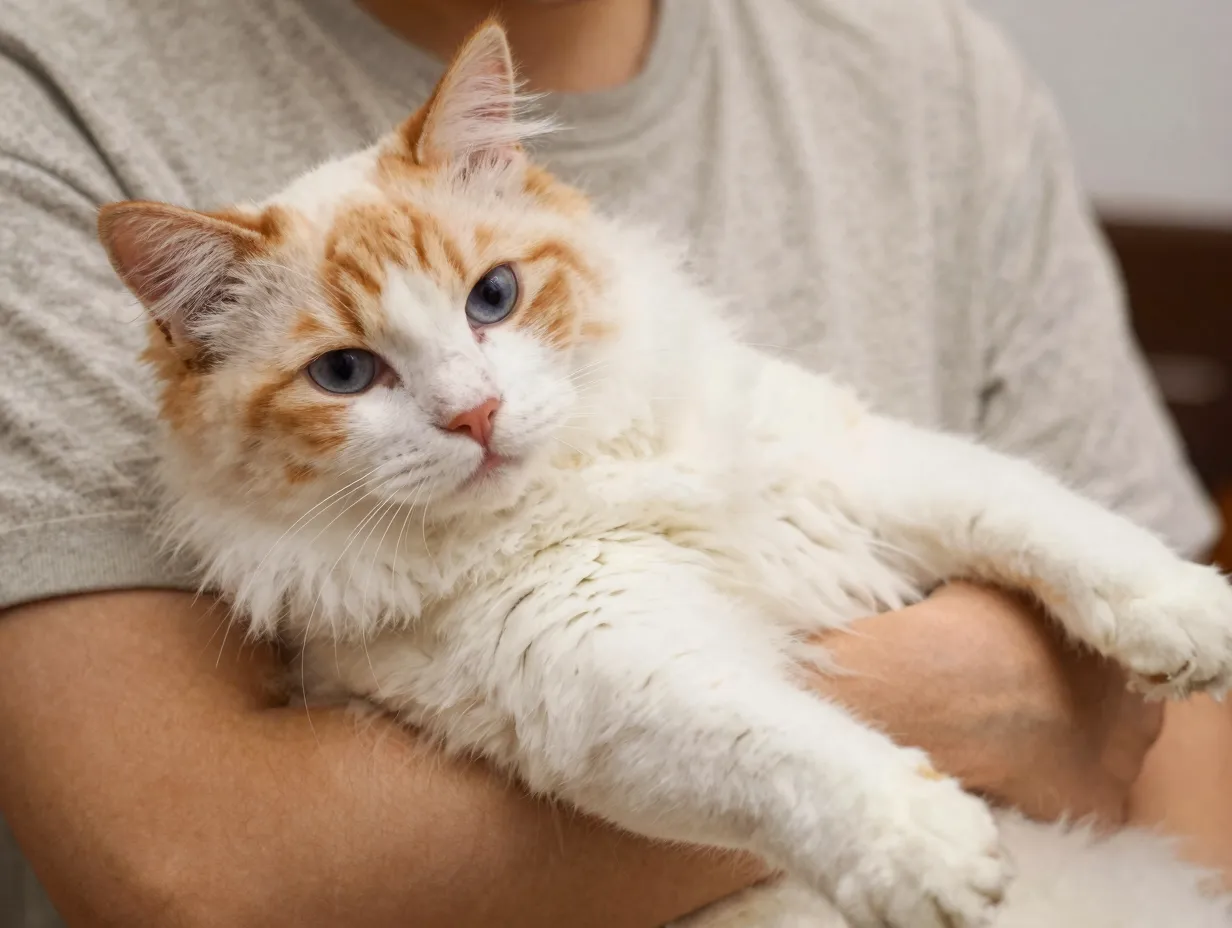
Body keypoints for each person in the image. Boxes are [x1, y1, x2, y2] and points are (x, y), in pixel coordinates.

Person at [0, 1, 1229, 925]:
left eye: (490, 300)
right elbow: (187, 879)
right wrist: (961, 703)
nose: (469, 405)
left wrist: (1112, 581)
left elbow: (1178, 732)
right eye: (347, 370)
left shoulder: (930, 68)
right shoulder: (54, 85)